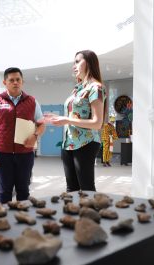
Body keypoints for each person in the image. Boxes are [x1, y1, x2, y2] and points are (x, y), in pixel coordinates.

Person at [47, 50, 106, 192]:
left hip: (86, 143)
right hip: (69, 144)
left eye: (78, 61)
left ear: (90, 63)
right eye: (74, 62)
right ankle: (72, 214)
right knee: (71, 189)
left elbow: (97, 123)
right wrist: (58, 119)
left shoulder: (96, 88)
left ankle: (90, 214)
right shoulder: (77, 90)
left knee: (86, 189)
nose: (74, 65)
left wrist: (66, 120)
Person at [0, 67, 45, 203]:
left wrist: (35, 135)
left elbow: (42, 124)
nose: (15, 82)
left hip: (25, 155)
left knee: (23, 190)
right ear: (5, 82)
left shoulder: (32, 102)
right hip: (3, 155)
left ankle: (22, 221)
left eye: (18, 79)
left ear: (22, 81)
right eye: (11, 80)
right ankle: (3, 221)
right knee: (4, 191)